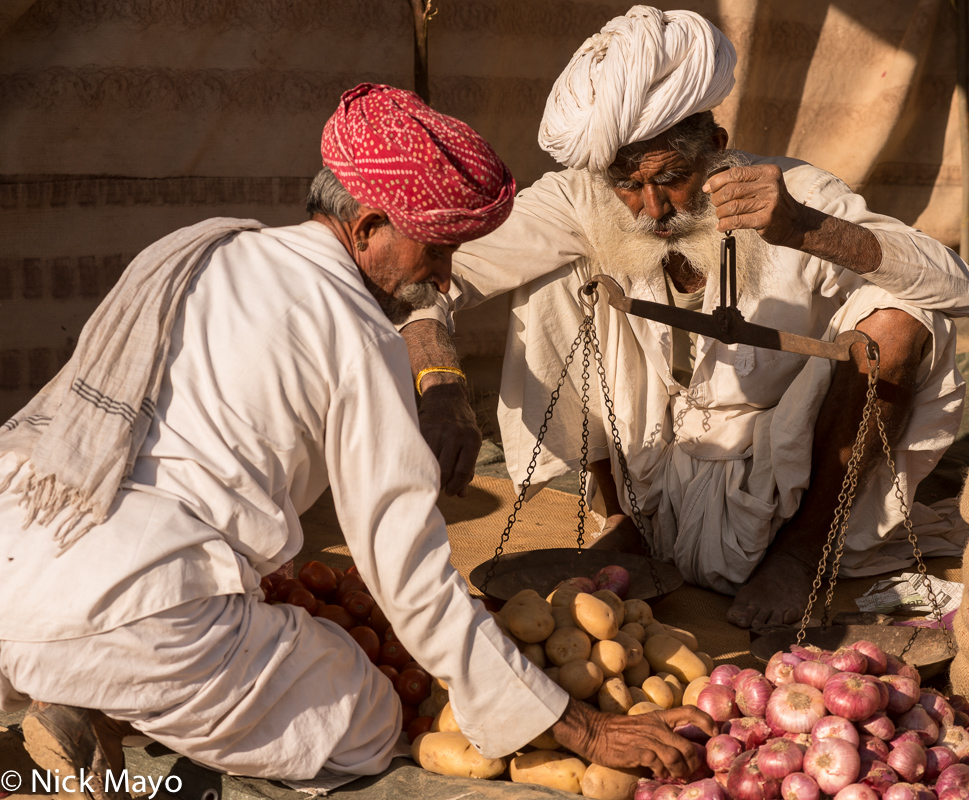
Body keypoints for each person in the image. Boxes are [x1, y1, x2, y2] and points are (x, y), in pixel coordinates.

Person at [0, 84, 712, 795]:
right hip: (144, 610)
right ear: (369, 225)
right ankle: (102, 686)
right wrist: (580, 729)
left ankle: (76, 691)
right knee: (367, 720)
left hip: (18, 563)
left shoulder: (203, 253)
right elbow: (406, 567)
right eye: (436, 252)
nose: (442, 276)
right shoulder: (357, 333)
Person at [400, 6, 969, 630]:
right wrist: (440, 383)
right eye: (628, 184)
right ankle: (621, 522)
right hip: (652, 469)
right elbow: (427, 275)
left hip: (781, 475)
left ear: (716, 148)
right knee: (550, 273)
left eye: (673, 178)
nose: (651, 208)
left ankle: (803, 554)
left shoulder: (794, 191)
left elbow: (958, 287)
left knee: (905, 315)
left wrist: (808, 229)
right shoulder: (583, 198)